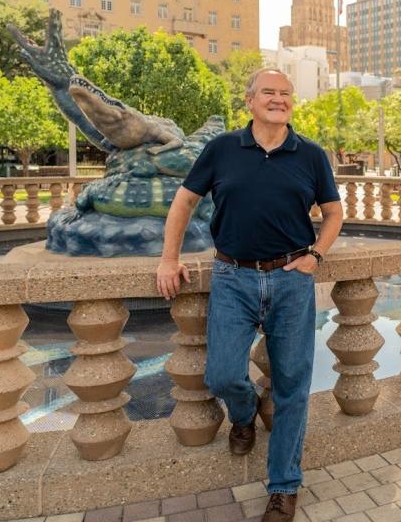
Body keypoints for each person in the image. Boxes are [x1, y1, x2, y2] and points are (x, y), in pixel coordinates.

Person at [156, 67, 343, 522]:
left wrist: (315, 258)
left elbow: (334, 214)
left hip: (291, 279)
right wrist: (168, 258)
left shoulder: (311, 155)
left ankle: (283, 487)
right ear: (250, 100)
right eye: (268, 93)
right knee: (221, 375)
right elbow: (184, 203)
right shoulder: (221, 149)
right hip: (232, 278)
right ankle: (243, 414)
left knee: (294, 388)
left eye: (285, 93)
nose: (278, 99)